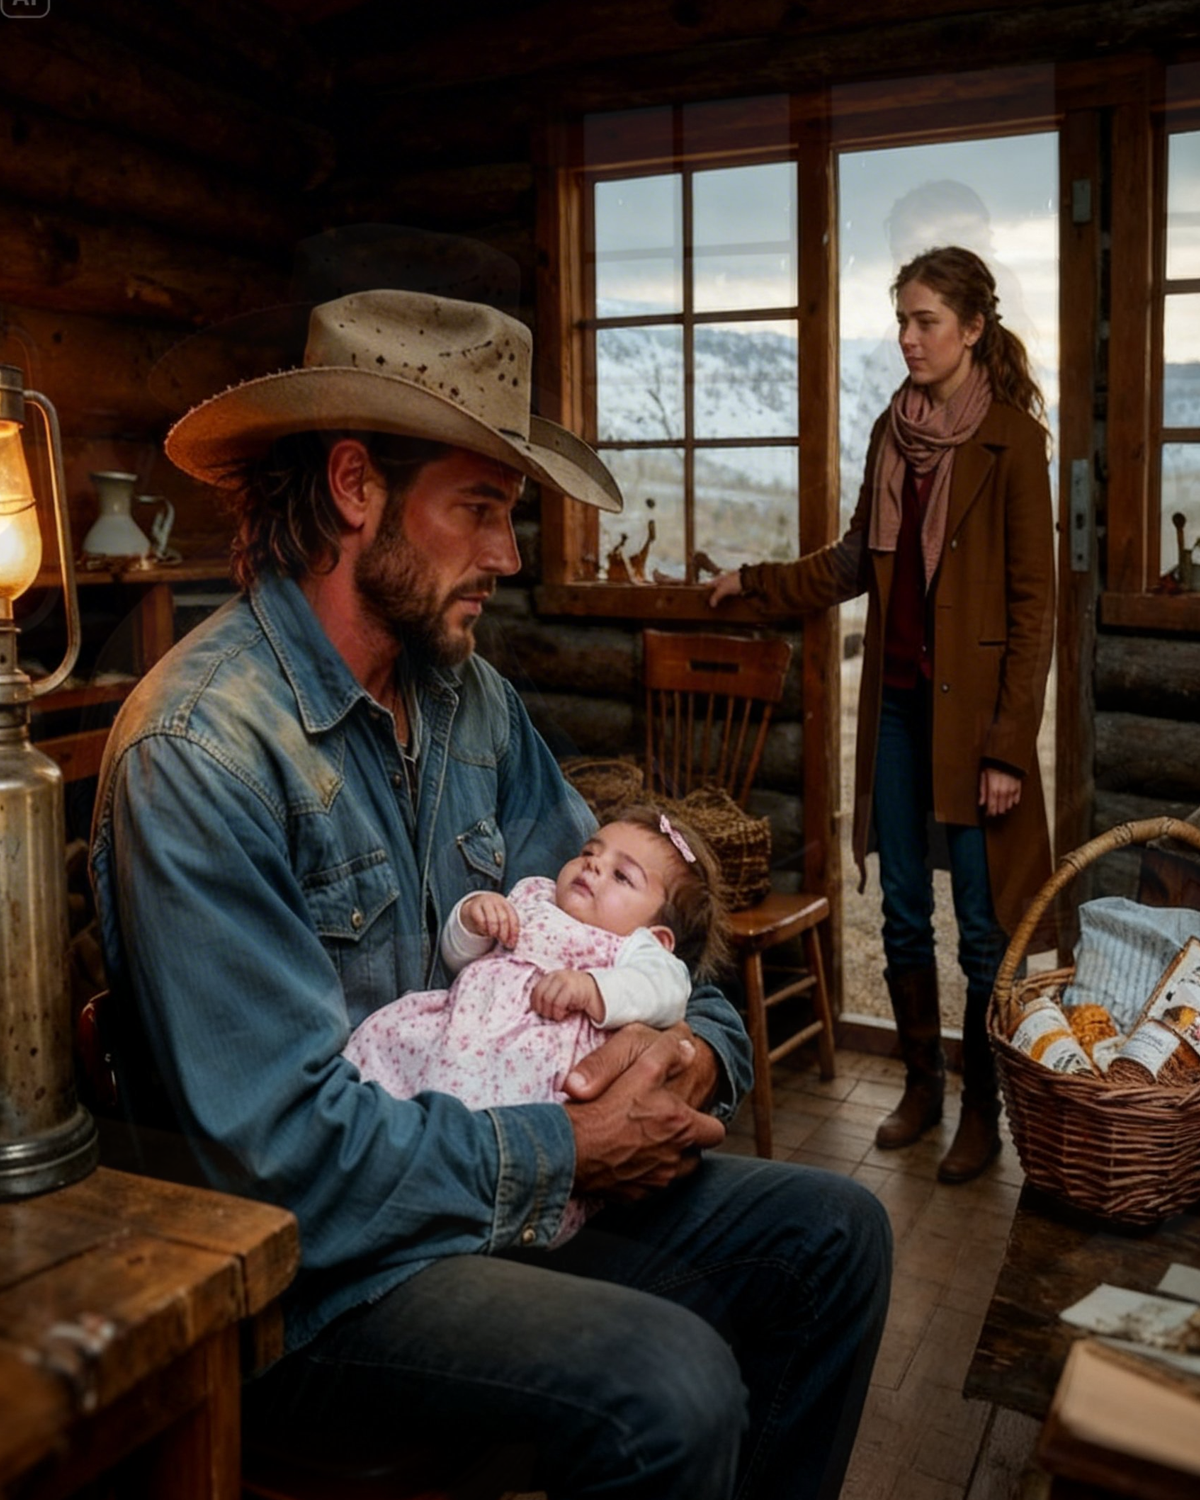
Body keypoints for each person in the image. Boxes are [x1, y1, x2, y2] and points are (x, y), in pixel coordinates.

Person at [90, 287, 892, 1499]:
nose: (510, 558)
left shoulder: (471, 704)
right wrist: (567, 1148)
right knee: (668, 1386)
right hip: (326, 1278)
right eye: (480, 509)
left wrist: (693, 1058)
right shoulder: (200, 751)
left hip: (501, 1190)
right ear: (357, 488)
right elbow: (283, 1161)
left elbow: (637, 941)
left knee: (839, 1238)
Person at [710, 245, 1054, 1185]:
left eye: (925, 321)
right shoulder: (889, 432)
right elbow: (855, 560)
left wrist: (1009, 750)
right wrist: (756, 581)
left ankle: (981, 1112)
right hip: (898, 713)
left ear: (973, 328)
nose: (907, 338)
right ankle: (921, 1091)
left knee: (982, 929)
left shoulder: (1015, 444)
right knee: (904, 911)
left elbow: (1035, 611)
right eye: (900, 320)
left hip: (976, 729)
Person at [345, 804, 729, 1242]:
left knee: (498, 1111)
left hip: (531, 1059)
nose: (593, 866)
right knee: (387, 1050)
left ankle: (479, 1206)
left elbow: (668, 989)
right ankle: (382, 1153)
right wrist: (474, 917)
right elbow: (462, 958)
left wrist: (593, 988)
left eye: (622, 876)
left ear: (660, 937)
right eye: (591, 851)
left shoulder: (635, 950)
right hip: (462, 1024)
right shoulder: (534, 896)